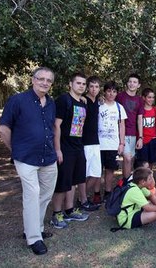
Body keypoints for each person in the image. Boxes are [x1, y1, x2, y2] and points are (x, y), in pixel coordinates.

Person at [0, 67, 58, 255]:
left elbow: (51, 128)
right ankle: (33, 239)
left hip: (48, 157)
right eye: (41, 79)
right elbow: (3, 129)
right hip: (25, 158)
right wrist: (15, 150)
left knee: (45, 195)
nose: (45, 83)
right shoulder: (17, 101)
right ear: (32, 80)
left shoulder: (50, 103)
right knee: (32, 194)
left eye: (49, 80)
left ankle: (35, 228)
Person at [51, 73, 90, 229]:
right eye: (78, 83)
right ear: (71, 84)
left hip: (78, 146)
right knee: (63, 182)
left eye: (83, 84)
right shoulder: (63, 100)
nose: (81, 86)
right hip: (65, 147)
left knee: (74, 180)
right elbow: (56, 126)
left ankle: (69, 210)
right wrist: (58, 149)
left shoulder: (82, 102)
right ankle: (56, 214)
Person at [98, 81, 127, 202]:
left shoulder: (119, 107)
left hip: (112, 144)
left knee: (110, 170)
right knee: (97, 171)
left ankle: (108, 192)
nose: (111, 93)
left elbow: (122, 126)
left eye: (114, 91)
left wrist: (121, 143)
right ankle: (96, 193)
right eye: (109, 91)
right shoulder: (98, 105)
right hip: (98, 144)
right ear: (104, 91)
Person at [116, 73, 144, 178]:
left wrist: (140, 137)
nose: (132, 84)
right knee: (127, 158)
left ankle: (125, 181)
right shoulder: (120, 96)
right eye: (130, 82)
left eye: (134, 82)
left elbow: (140, 119)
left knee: (130, 159)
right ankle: (126, 184)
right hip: (121, 132)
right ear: (127, 83)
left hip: (133, 133)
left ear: (138, 85)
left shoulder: (140, 100)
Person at [82, 76, 103, 208]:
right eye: (91, 86)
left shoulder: (98, 101)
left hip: (96, 141)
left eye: (96, 86)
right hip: (84, 141)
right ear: (87, 87)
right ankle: (83, 200)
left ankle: (82, 196)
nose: (94, 89)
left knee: (96, 173)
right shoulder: (83, 101)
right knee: (83, 173)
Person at [136, 88, 156, 167]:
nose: (151, 99)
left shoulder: (155, 110)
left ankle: (149, 178)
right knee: (144, 163)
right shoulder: (141, 110)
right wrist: (140, 137)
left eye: (153, 97)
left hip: (153, 139)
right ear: (144, 98)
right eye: (149, 97)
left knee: (151, 162)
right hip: (143, 139)